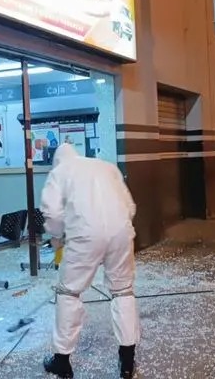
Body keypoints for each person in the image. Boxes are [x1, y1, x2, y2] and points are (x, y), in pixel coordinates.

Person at [40, 143, 139, 379]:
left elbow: (52, 214)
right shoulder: (106, 166)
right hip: (121, 232)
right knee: (123, 290)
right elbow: (130, 206)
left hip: (84, 234)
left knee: (69, 292)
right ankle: (127, 362)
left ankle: (62, 361)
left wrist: (57, 236)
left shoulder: (59, 172)